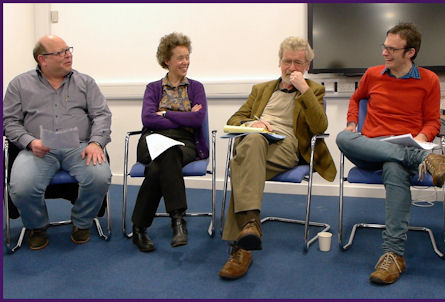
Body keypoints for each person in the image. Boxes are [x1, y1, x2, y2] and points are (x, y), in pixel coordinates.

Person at [335, 23, 445, 285]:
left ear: (410, 52)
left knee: (394, 165)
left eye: (392, 49)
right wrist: (352, 122)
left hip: (403, 147)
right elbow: (356, 100)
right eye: (384, 46)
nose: (385, 52)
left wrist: (421, 138)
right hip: (370, 147)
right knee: (342, 137)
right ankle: (421, 160)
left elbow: (433, 121)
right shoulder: (372, 74)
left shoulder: (429, 80)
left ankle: (393, 254)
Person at [218, 36, 336, 279]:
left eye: (298, 63)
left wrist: (303, 89)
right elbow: (234, 119)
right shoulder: (261, 89)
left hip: (289, 146)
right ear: (279, 62)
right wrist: (254, 122)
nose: (291, 68)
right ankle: (248, 230)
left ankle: (241, 246)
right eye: (287, 61)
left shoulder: (314, 90)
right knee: (250, 144)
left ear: (307, 67)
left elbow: (319, 126)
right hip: (258, 142)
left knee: (241, 164)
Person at [3, 35, 112, 250]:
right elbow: (10, 122)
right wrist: (29, 141)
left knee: (100, 177)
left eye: (68, 49)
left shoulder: (86, 82)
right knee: (22, 187)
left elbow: (101, 115)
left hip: (80, 147)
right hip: (38, 149)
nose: (68, 54)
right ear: (42, 59)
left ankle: (82, 222)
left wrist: (96, 143)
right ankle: (37, 226)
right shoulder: (19, 84)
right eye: (60, 52)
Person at [130, 32, 208, 252]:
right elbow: (147, 119)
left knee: (162, 162)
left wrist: (164, 114)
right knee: (167, 153)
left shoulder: (196, 88)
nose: (186, 62)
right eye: (180, 58)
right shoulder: (153, 88)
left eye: (187, 57)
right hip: (152, 139)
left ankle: (139, 228)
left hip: (184, 143)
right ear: (167, 60)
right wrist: (182, 117)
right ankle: (178, 221)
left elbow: (198, 119)